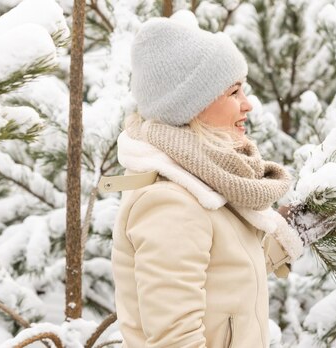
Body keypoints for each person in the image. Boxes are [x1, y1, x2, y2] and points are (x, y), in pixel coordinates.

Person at [99, 16, 320, 348]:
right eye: (234, 91)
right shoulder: (171, 204)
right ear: (192, 107)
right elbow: (175, 341)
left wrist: (290, 234)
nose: (248, 104)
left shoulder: (200, 177)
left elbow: (220, 280)